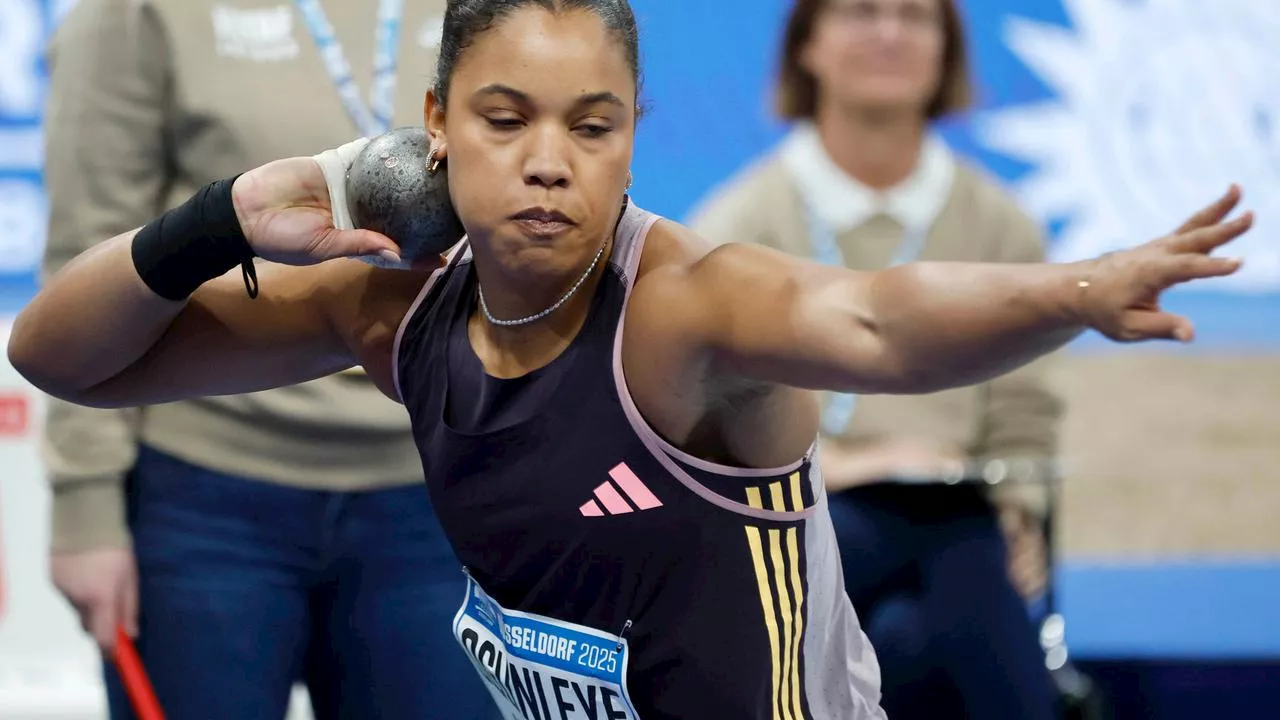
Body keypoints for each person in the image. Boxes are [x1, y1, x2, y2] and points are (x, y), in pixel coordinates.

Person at [9, 0, 1250, 717]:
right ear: (433, 126)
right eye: (505, 120)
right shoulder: (395, 306)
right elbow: (67, 358)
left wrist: (1078, 291)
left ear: (632, 136)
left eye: (590, 126)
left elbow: (878, 317)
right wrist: (221, 215)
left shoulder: (688, 313)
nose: (549, 160)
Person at [39, 1, 495, 718]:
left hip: (436, 493)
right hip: (204, 497)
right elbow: (86, 261)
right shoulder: (135, 14)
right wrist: (84, 506)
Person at [687, 0, 1061, 716]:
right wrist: (857, 467)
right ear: (808, 46)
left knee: (915, 620)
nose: (890, 33)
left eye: (916, 16)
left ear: (945, 49)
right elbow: (707, 428)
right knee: (952, 543)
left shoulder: (1004, 226)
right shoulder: (735, 228)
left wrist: (1020, 510)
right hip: (797, 523)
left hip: (959, 531)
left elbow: (1024, 416)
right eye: (862, 11)